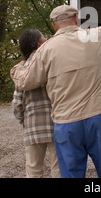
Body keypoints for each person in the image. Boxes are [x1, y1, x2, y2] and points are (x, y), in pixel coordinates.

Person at [11, 5, 101, 178]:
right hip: (98, 117)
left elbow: (25, 81)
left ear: (54, 26)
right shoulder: (94, 37)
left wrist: (16, 69)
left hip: (66, 123)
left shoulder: (45, 50)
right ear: (76, 18)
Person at [10, 29, 60, 178]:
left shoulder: (22, 71)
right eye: (44, 39)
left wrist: (25, 122)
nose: (47, 41)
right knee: (58, 169)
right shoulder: (52, 64)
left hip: (32, 127)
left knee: (33, 170)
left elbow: (17, 106)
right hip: (56, 124)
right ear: (39, 45)